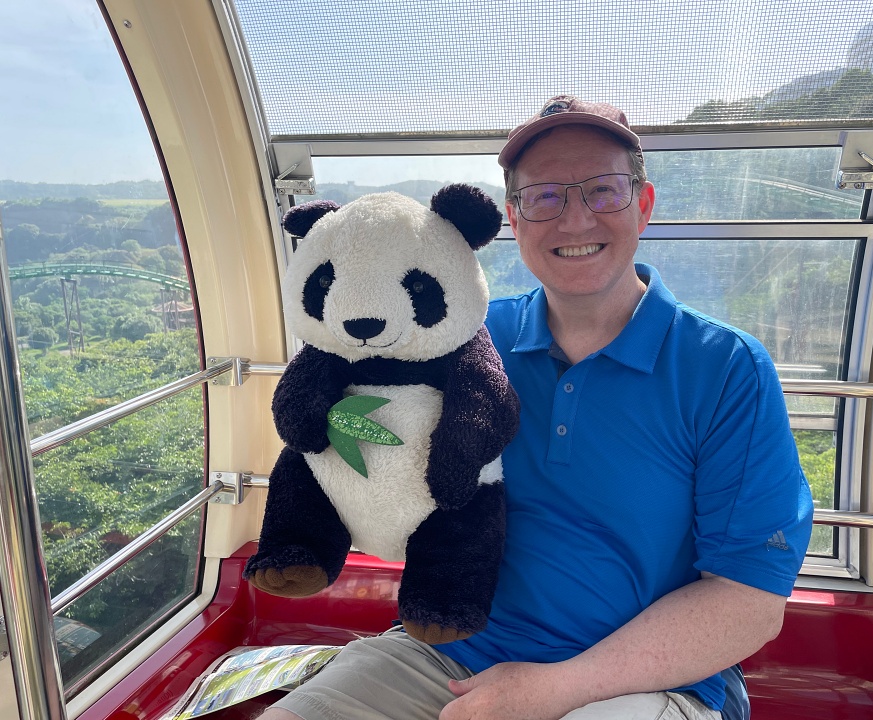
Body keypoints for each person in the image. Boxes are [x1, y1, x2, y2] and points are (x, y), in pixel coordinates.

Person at [260, 95, 814, 720]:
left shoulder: (723, 367)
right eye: (545, 197)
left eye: (602, 190)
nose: (575, 220)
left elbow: (748, 599)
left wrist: (556, 688)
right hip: (449, 651)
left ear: (645, 204)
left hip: (642, 680)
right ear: (514, 221)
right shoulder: (459, 337)